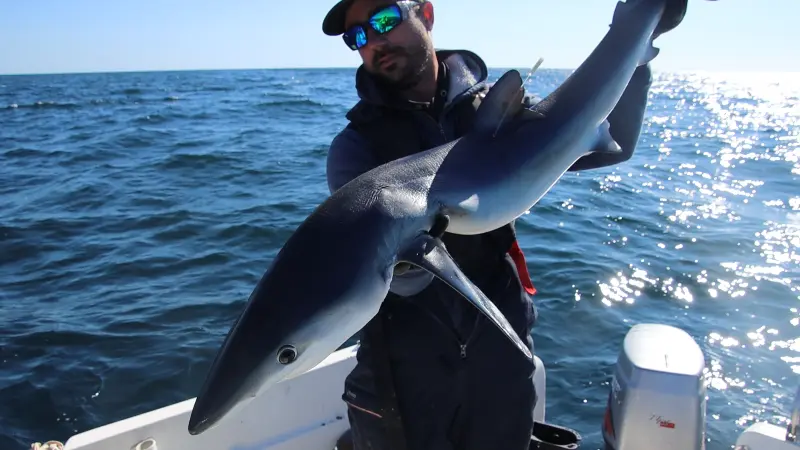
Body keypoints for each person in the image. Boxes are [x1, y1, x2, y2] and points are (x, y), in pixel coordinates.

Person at [321, 0, 654, 448]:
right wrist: (409, 254)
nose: (374, 41)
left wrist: (639, 46)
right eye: (357, 37)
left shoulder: (497, 111)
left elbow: (609, 143)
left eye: (384, 19)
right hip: (401, 377)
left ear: (426, 14)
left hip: (501, 354)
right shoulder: (355, 150)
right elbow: (393, 277)